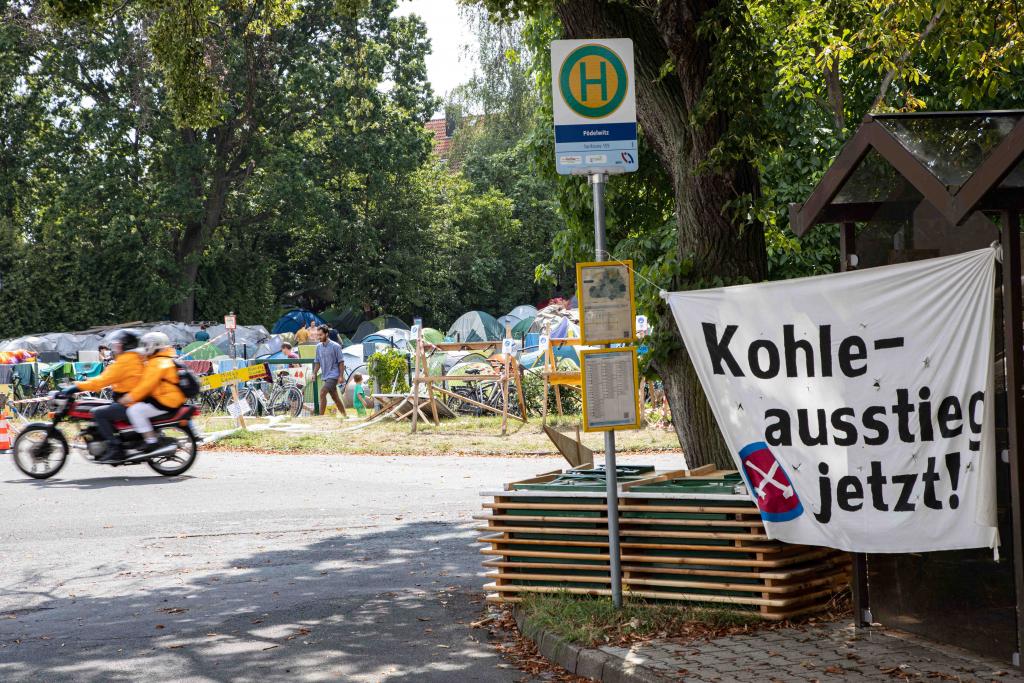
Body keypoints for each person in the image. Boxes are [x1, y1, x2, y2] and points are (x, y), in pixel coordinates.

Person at [65, 329, 144, 462]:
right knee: (102, 407)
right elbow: (105, 379)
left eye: (119, 344)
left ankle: (115, 447)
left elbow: (101, 381)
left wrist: (76, 386)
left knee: (98, 413)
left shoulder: (125, 361)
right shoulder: (135, 358)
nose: (115, 347)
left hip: (129, 404)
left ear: (126, 345)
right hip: (131, 402)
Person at [119, 332, 185, 453]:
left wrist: (129, 397)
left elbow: (146, 386)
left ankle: (151, 441)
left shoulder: (157, 363)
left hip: (166, 400)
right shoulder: (163, 359)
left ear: (154, 345)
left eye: (146, 345)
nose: (144, 348)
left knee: (134, 410)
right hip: (169, 398)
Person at [312, 324, 346, 416]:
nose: (319, 337)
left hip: (334, 375)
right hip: (325, 375)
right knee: (335, 397)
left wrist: (341, 376)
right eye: (318, 335)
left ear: (326, 334)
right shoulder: (318, 347)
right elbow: (317, 362)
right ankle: (344, 415)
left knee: (322, 392)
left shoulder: (336, 346)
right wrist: (314, 373)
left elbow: (341, 362)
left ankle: (320, 416)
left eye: (321, 335)